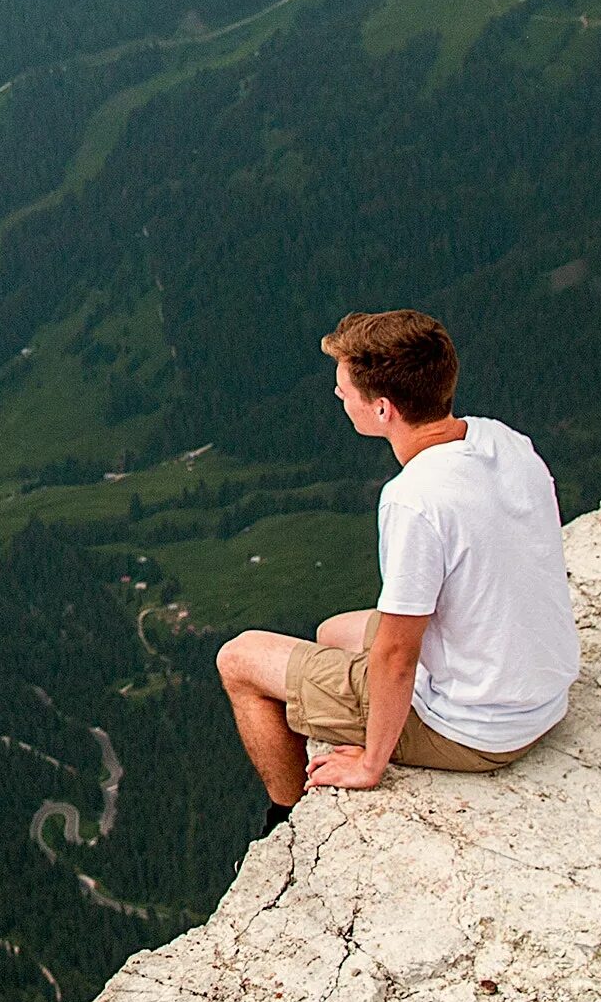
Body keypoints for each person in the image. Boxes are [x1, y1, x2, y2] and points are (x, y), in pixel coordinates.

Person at [214, 310, 579, 824]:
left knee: (240, 659)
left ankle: (285, 819)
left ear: (383, 409)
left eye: (346, 391)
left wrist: (370, 764)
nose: (339, 397)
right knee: (332, 630)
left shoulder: (414, 500)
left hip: (476, 730)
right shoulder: (503, 441)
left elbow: (397, 657)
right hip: (541, 695)